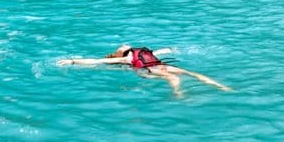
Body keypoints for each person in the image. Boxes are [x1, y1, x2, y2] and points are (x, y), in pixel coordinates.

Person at [57, 45, 231, 97]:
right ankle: (179, 94)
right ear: (123, 53)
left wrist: (171, 50)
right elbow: (96, 61)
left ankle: (219, 87)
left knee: (190, 75)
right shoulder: (126, 58)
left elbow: (160, 52)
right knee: (176, 77)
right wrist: (73, 61)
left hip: (155, 67)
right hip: (151, 69)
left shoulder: (136, 54)